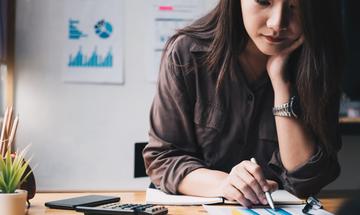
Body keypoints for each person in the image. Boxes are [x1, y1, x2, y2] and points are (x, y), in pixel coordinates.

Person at [143, 0, 344, 208]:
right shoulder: (187, 53)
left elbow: (308, 180)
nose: (277, 23)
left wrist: (281, 82)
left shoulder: (320, 63)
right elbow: (163, 158)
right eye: (264, 1)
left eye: (296, 7)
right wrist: (226, 184)